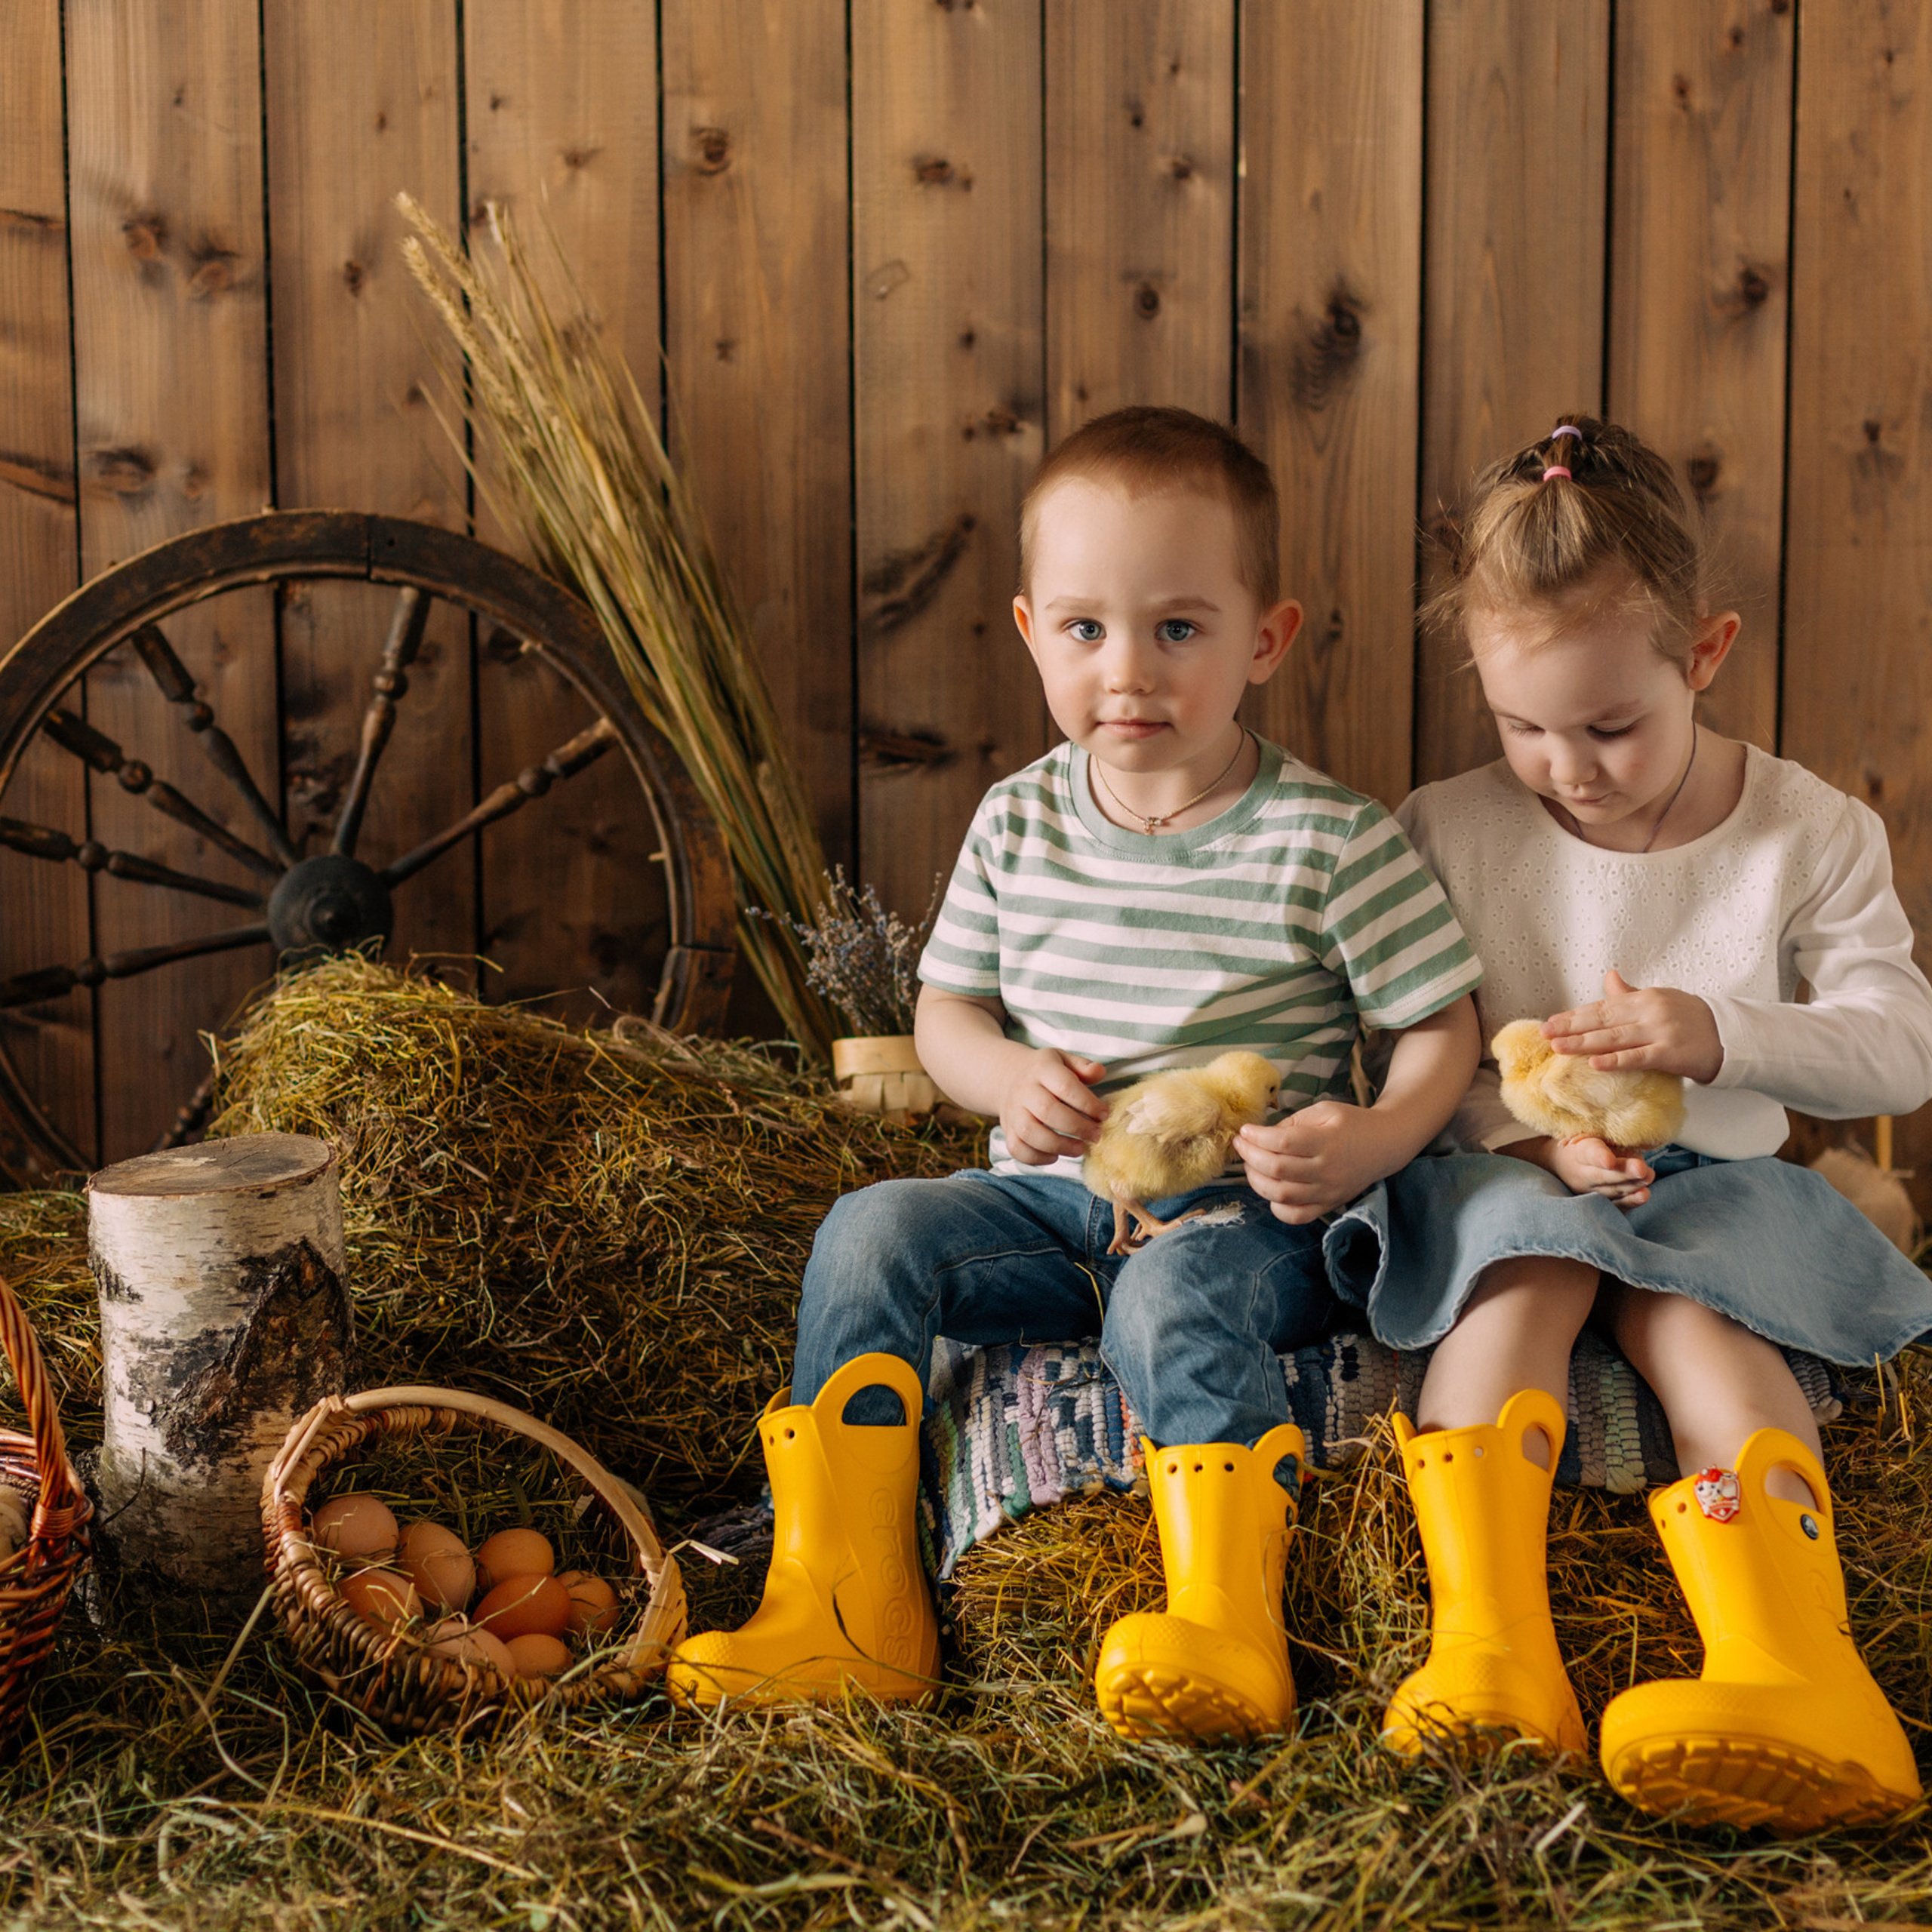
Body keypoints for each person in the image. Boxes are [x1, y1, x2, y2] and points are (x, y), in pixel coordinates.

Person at [669, 407, 1482, 1739]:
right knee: (872, 1232)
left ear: (1263, 639)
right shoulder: (1019, 820)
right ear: (1032, 629)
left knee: (1169, 1300)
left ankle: (1226, 1623)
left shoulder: (1326, 840)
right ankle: (847, 1610)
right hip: (1049, 1208)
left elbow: (1443, 1023)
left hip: (1250, 1218)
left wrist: (1377, 1140)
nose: (1128, 672)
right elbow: (944, 1012)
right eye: (1086, 628)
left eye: (1178, 628)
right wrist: (1001, 1079)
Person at [1327, 416, 1932, 1832]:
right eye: (1521, 725)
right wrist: (1530, 1142)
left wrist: (1718, 1033)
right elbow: (1408, 1054)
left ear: (1705, 655)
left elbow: (1902, 1048)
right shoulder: (1445, 829)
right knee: (1517, 1279)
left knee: (1698, 1323)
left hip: (1709, 1186)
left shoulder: (1810, 832)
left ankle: (1800, 1669)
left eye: (1611, 726)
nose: (1568, 767)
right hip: (1514, 1175)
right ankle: (1490, 1649)